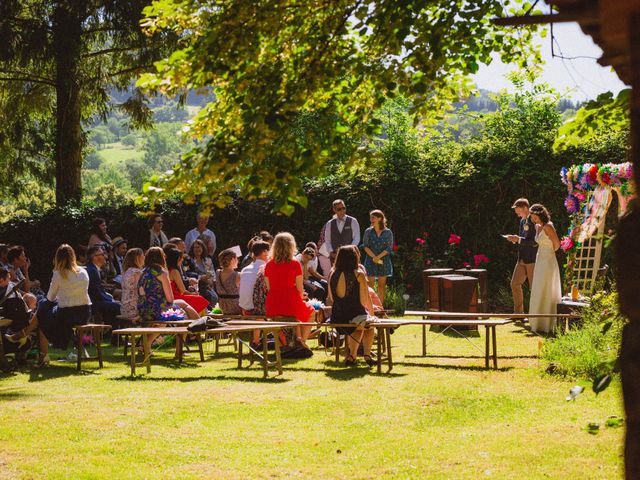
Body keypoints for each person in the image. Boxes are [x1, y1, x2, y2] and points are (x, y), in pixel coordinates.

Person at [32, 245, 92, 367]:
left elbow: (50, 297)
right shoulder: (83, 271)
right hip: (84, 312)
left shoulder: (58, 274)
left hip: (67, 314)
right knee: (44, 310)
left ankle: (42, 355)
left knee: (42, 314)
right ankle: (23, 334)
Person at [264, 232, 315, 350]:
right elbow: (299, 288)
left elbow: (269, 288)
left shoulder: (269, 265)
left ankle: (292, 342)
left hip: (273, 303)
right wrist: (301, 296)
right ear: (291, 246)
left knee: (288, 317)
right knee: (311, 312)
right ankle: (302, 341)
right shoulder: (295, 264)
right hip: (290, 301)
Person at [328, 245, 376, 366]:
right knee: (369, 325)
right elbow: (364, 301)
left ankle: (352, 356)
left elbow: (331, 298)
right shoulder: (359, 274)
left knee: (358, 326)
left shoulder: (332, 274)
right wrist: (371, 312)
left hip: (337, 317)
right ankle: (367, 354)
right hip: (354, 315)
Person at [137, 247, 199, 322]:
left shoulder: (142, 272)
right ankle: (200, 325)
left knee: (181, 303)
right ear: (161, 258)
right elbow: (170, 299)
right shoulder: (161, 272)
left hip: (143, 310)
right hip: (158, 310)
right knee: (184, 307)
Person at [527, 204, 562, 334]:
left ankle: (548, 323)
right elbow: (538, 241)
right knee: (538, 288)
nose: (533, 219)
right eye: (532, 217)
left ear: (540, 215)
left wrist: (548, 254)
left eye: (534, 217)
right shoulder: (538, 227)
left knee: (547, 288)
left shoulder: (548, 226)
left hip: (548, 261)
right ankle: (537, 322)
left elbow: (557, 244)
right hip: (539, 259)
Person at [505, 198, 538, 314]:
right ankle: (518, 314)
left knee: (533, 288)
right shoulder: (522, 222)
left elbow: (534, 242)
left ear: (525, 208)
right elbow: (522, 239)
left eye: (519, 212)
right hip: (522, 258)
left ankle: (535, 314)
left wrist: (518, 239)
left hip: (532, 259)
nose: (518, 215)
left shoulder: (534, 220)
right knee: (514, 284)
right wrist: (515, 240)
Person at [362, 209, 394, 305]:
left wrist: (378, 257)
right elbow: (365, 246)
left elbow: (389, 248)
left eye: (373, 217)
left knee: (381, 286)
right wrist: (374, 257)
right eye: (370, 217)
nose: (371, 219)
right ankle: (370, 307)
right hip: (370, 260)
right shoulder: (368, 231)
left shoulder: (388, 232)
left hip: (383, 260)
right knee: (370, 286)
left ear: (380, 218)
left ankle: (380, 308)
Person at [320, 199, 361, 273]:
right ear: (334, 210)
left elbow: (357, 237)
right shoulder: (330, 223)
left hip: (351, 255)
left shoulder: (353, 221)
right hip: (335, 256)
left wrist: (350, 250)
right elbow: (327, 239)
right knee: (336, 276)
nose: (342, 211)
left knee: (351, 275)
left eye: (344, 208)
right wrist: (331, 252)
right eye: (339, 209)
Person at [86, 245, 121, 328]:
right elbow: (96, 293)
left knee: (113, 304)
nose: (105, 256)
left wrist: (110, 298)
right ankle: (114, 334)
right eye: (102, 254)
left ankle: (110, 331)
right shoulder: (92, 271)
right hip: (92, 303)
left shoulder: (93, 269)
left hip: (94, 300)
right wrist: (111, 300)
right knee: (116, 306)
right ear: (94, 257)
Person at [166, 248, 209, 315]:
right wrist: (193, 294)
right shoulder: (174, 272)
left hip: (172, 296)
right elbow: (183, 290)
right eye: (181, 258)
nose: (182, 260)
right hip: (177, 297)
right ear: (176, 259)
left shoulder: (166, 270)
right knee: (200, 299)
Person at [189, 238, 219, 306]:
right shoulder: (189, 260)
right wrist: (200, 278)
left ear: (203, 248)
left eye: (199, 247)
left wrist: (210, 280)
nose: (197, 249)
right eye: (195, 247)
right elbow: (189, 274)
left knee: (214, 297)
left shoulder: (208, 260)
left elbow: (212, 274)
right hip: (195, 285)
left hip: (207, 284)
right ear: (192, 249)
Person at [120, 248, 145, 320]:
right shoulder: (137, 272)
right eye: (143, 255)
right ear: (138, 258)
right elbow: (141, 292)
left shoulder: (127, 271)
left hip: (124, 308)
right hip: (134, 309)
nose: (144, 257)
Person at [216, 248, 241, 314]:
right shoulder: (237, 275)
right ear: (232, 260)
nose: (238, 261)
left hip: (222, 307)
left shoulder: (217, 273)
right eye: (237, 259)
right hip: (235, 307)